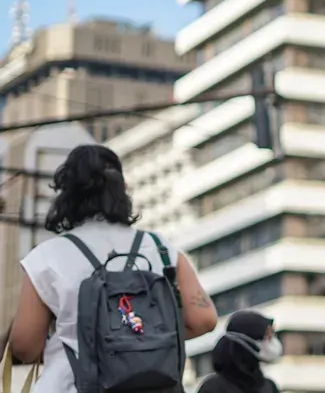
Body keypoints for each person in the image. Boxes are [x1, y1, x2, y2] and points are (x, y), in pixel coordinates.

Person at [9, 144, 219, 391]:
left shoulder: (46, 257)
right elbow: (203, 319)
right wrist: (141, 342)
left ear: (67, 195)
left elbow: (24, 346)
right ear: (122, 188)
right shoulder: (161, 248)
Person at [197, 310, 282, 393]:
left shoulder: (269, 387)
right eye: (267, 335)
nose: (272, 341)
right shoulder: (213, 388)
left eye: (272, 334)